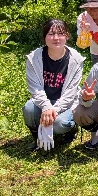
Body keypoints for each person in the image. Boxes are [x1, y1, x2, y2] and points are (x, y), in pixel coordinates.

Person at [24, 19, 84, 150]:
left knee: (59, 124)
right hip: (44, 101)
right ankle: (37, 137)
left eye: (60, 34)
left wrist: (53, 111)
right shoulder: (34, 58)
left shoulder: (76, 59)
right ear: (44, 37)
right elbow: (35, 88)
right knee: (28, 109)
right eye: (51, 34)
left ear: (67, 36)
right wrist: (46, 107)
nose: (56, 38)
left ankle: (71, 129)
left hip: (67, 103)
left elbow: (70, 93)